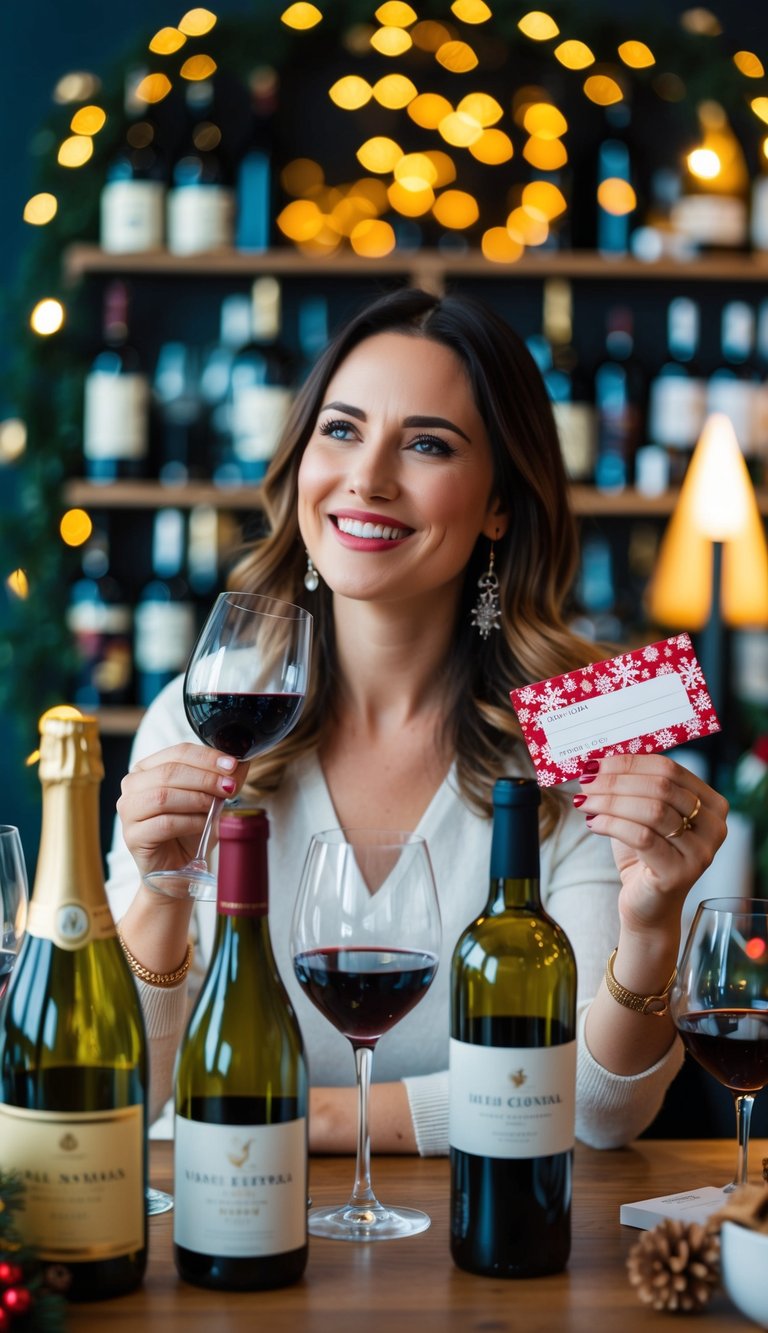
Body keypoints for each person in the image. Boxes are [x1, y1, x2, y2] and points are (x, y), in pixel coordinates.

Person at [108, 286, 728, 1155]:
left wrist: (654, 924)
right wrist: (163, 891)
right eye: (342, 429)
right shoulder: (199, 717)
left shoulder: (579, 732)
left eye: (428, 444)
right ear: (300, 463)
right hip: (236, 1224)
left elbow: (594, 1105)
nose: (367, 476)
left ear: (499, 504)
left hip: (490, 1248)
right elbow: (133, 1087)